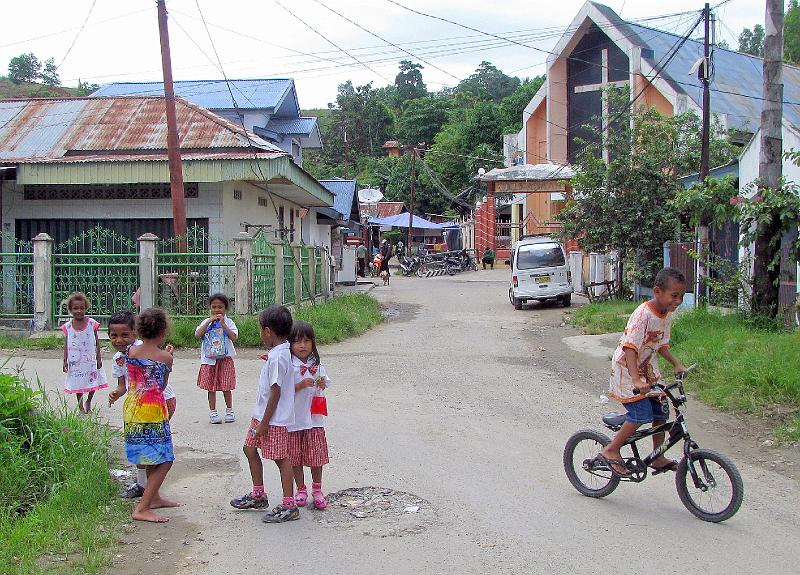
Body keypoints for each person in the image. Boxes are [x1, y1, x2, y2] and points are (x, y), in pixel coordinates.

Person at [597, 267, 687, 477]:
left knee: (661, 408)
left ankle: (657, 456)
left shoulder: (666, 315)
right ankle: (611, 449)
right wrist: (636, 380)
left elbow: (661, 345)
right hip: (627, 370)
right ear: (657, 291)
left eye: (681, 296)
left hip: (647, 368)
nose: (678, 301)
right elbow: (630, 348)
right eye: (674, 296)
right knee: (641, 414)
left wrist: (677, 364)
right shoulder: (643, 314)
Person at [230, 305, 299, 523]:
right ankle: (258, 494)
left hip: (273, 420)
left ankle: (290, 504)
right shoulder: (279, 353)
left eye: (261, 330)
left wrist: (265, 424)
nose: (261, 334)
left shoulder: (279, 357)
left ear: (268, 331)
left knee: (281, 458)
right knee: (249, 449)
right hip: (262, 416)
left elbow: (276, 392)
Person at [113, 308, 178, 523]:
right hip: (152, 411)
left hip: (132, 408)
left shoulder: (131, 352)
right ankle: (142, 507)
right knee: (165, 459)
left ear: (139, 331)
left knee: (150, 455)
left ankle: (154, 497)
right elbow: (161, 385)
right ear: (163, 332)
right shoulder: (165, 358)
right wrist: (169, 359)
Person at [287, 321, 331, 510]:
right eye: (297, 341)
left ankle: (318, 490)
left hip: (314, 420)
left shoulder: (317, 366)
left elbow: (326, 382)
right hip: (295, 420)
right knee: (295, 457)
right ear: (290, 344)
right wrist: (299, 385)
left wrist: (321, 383)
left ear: (313, 343)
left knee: (316, 457)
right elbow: (281, 390)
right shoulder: (288, 365)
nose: (302, 345)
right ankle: (301, 489)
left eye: (306, 341)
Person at [195, 293, 238, 424]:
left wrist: (224, 325)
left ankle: (229, 410)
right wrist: (209, 321)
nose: (217, 310)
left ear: (225, 308)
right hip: (209, 360)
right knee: (211, 387)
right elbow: (197, 334)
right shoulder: (206, 323)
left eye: (220, 307)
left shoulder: (229, 322)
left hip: (225, 359)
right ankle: (213, 412)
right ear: (210, 308)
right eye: (214, 307)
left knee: (227, 386)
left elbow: (234, 337)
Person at [61, 292, 107, 414]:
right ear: (70, 309)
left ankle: (89, 401)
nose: (79, 311)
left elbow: (96, 341)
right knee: (78, 383)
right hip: (75, 361)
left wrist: (98, 357)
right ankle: (80, 406)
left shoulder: (92, 323)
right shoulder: (68, 326)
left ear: (86, 308)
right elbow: (66, 344)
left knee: (92, 380)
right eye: (75, 308)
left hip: (90, 359)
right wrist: (65, 360)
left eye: (81, 308)